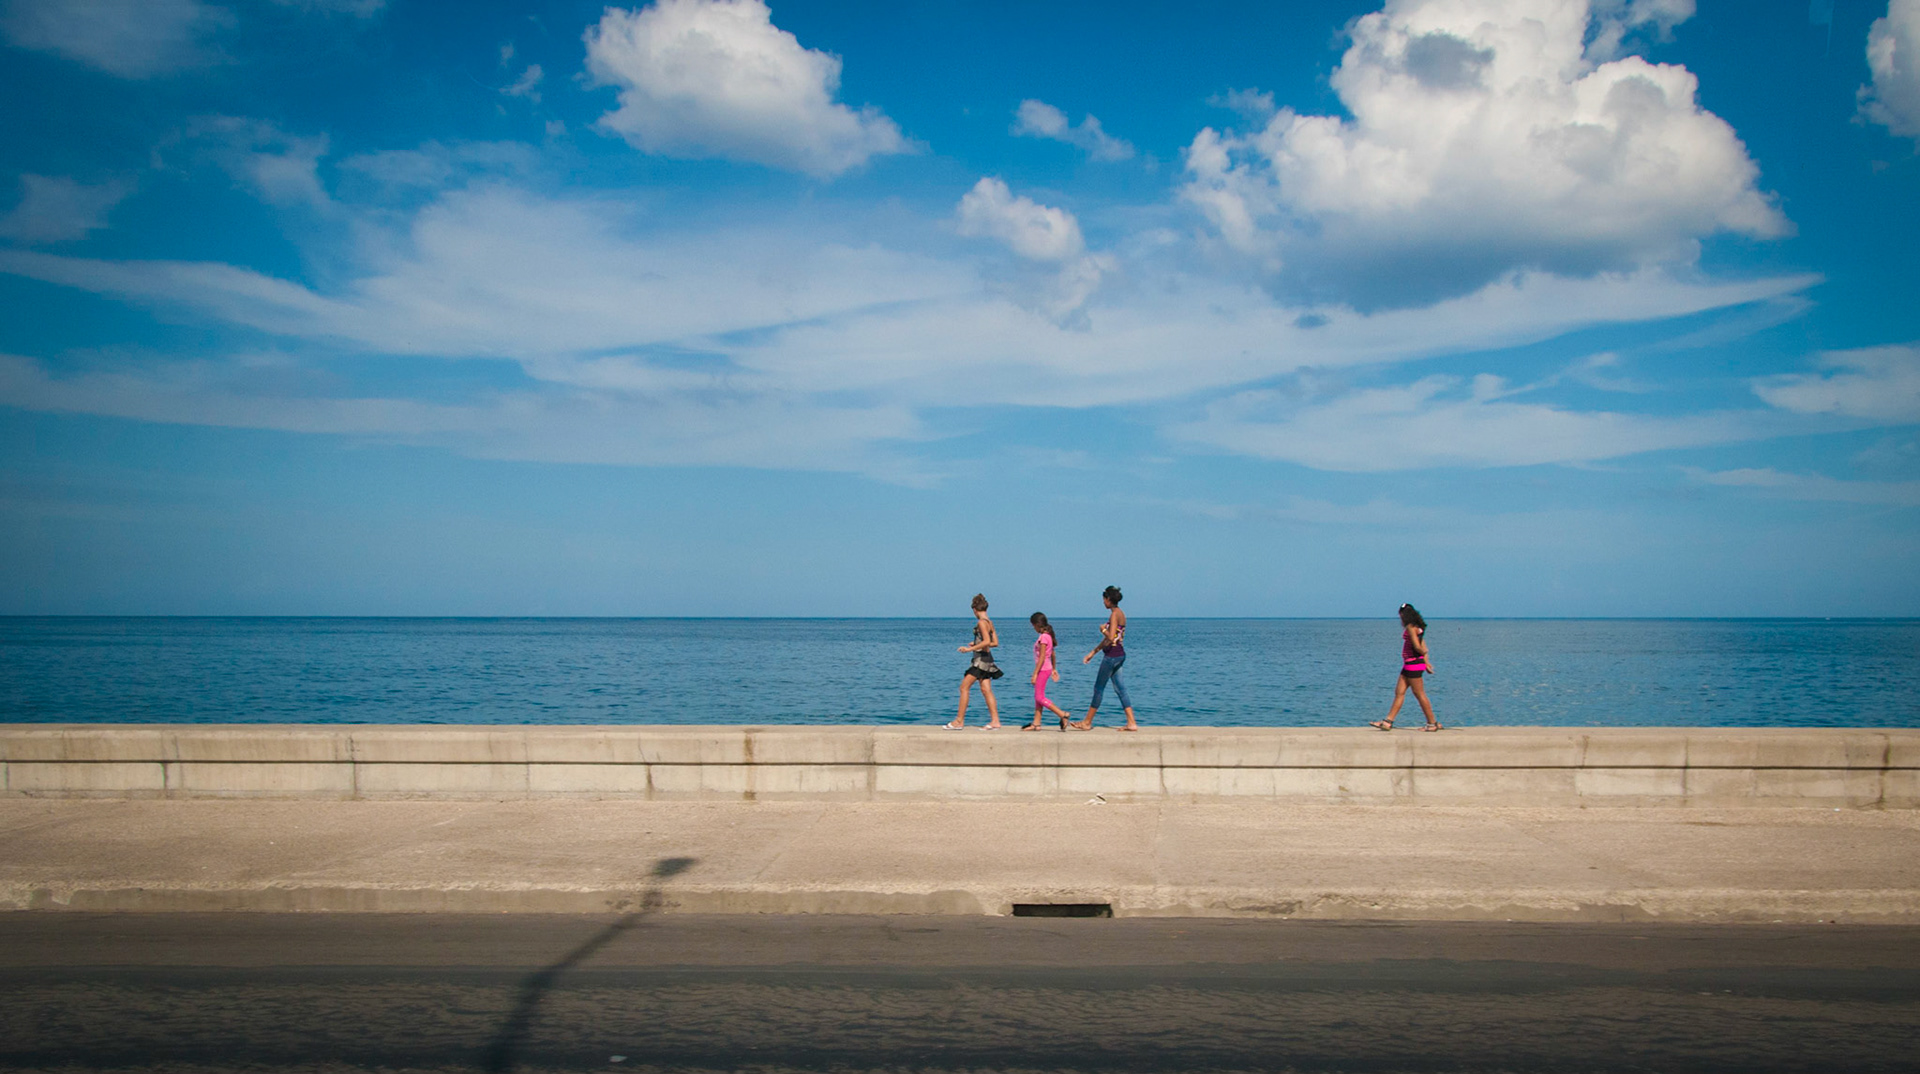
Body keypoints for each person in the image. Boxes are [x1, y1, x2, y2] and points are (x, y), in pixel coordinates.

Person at [1072, 585, 1137, 731]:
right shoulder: (1121, 613)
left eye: (1104, 599)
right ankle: (1131, 722)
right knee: (1120, 688)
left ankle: (1087, 722)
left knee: (1098, 688)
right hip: (1119, 655)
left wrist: (1103, 629)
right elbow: (1111, 639)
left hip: (1111, 657)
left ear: (1108, 599)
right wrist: (1093, 652)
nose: (1103, 602)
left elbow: (1111, 637)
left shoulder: (1114, 615)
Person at [1371, 602, 1443, 731]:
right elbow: (1423, 643)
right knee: (1399, 692)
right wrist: (1426, 662)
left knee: (1420, 694)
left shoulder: (1410, 627)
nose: (1400, 619)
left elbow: (1417, 646)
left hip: (1412, 664)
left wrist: (1423, 653)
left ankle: (1432, 723)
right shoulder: (1418, 627)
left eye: (1401, 616)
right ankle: (1387, 722)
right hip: (1411, 664)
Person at [944, 593, 1002, 729]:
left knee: (964, 687)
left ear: (975, 610)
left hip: (980, 661)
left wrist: (969, 649)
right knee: (986, 689)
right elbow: (995, 643)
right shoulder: (989, 622)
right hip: (987, 660)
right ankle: (995, 721)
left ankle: (959, 721)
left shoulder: (981, 623)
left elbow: (987, 642)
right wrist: (976, 643)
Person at [1022, 612, 1075, 731]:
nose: (1033, 629)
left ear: (1037, 624)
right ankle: (1036, 723)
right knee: (1038, 696)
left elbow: (1042, 657)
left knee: (1039, 697)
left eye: (1033, 626)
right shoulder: (1048, 636)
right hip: (1047, 668)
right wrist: (1054, 669)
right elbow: (1053, 654)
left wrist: (1035, 673)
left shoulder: (1043, 637)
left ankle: (1062, 714)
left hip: (1043, 669)